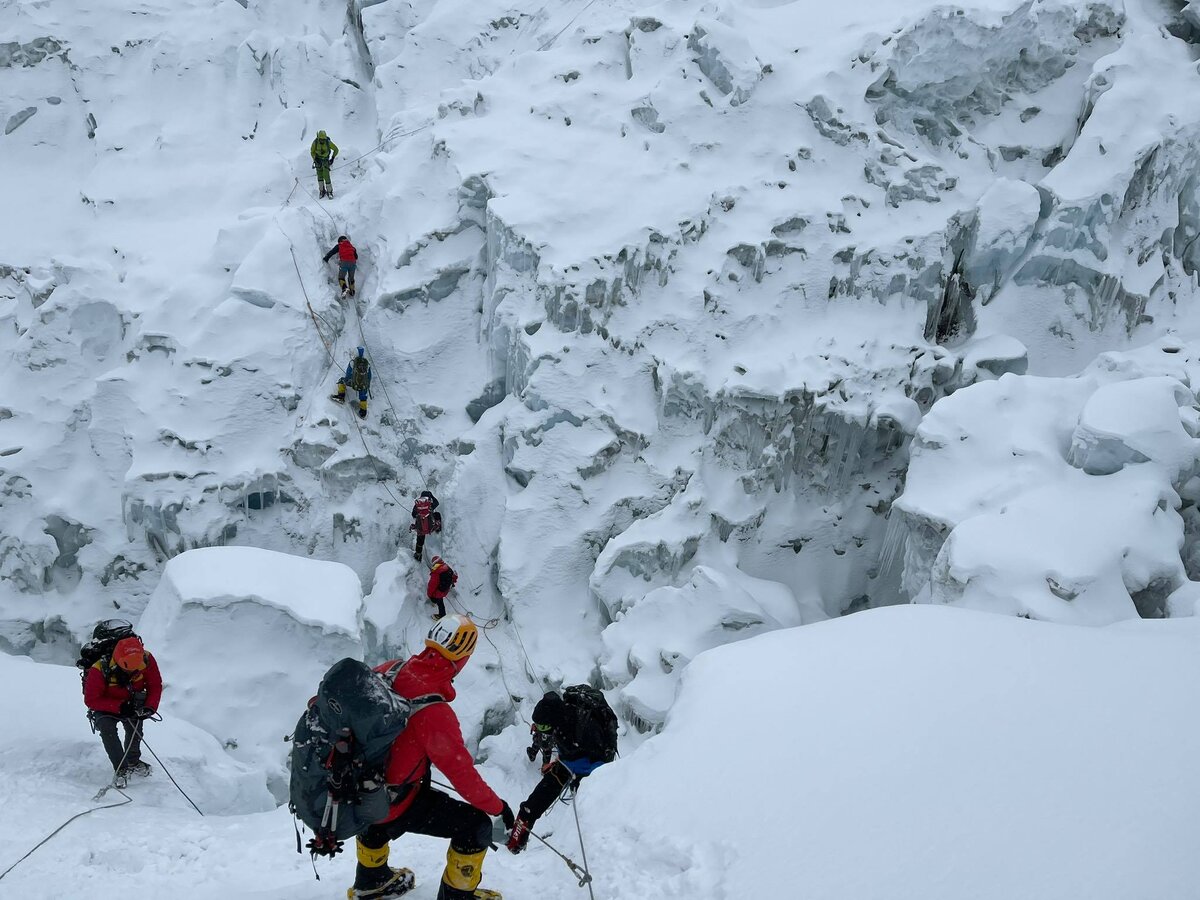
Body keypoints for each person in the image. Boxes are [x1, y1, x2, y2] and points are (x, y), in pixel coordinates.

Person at [349, 614, 514, 900]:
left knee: (377, 808)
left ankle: (371, 881)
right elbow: (462, 775)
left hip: (358, 789)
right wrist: (498, 807)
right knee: (476, 827)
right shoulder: (433, 711)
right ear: (462, 659)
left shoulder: (390, 670)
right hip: (395, 802)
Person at [506, 687, 618, 854]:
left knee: (584, 814)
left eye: (543, 727)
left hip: (589, 772)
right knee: (532, 805)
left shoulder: (586, 727)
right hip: (568, 763)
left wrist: (576, 778)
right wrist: (559, 762)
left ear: (553, 721)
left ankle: (587, 849)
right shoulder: (561, 721)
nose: (541, 730)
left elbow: (601, 763)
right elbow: (566, 746)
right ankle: (516, 840)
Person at [83, 635, 162, 786]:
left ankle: (132, 761)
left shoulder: (146, 659)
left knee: (135, 730)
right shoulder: (99, 668)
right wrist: (119, 706)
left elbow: (155, 684)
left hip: (132, 702)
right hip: (105, 705)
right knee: (108, 729)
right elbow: (91, 700)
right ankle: (121, 769)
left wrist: (150, 707)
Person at [332, 346, 371, 419]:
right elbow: (369, 376)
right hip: (363, 385)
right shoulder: (367, 364)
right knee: (363, 393)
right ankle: (363, 410)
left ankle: (341, 396)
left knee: (341, 380)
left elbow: (348, 374)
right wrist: (367, 384)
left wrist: (349, 380)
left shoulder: (353, 363)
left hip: (353, 382)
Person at [410, 491, 443, 561]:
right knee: (437, 514)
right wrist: (431, 496)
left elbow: (413, 514)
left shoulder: (418, 504)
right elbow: (437, 503)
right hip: (431, 525)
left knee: (420, 540)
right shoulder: (430, 503)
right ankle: (438, 529)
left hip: (420, 527)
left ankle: (418, 555)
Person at [311, 129, 339, 198]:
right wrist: (315, 159)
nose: (322, 141)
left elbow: (336, 149)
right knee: (319, 176)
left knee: (326, 176)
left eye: (323, 139)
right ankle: (322, 190)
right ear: (318, 138)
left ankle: (329, 192)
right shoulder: (315, 143)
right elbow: (312, 151)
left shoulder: (328, 142)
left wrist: (332, 158)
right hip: (318, 161)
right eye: (321, 139)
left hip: (325, 160)